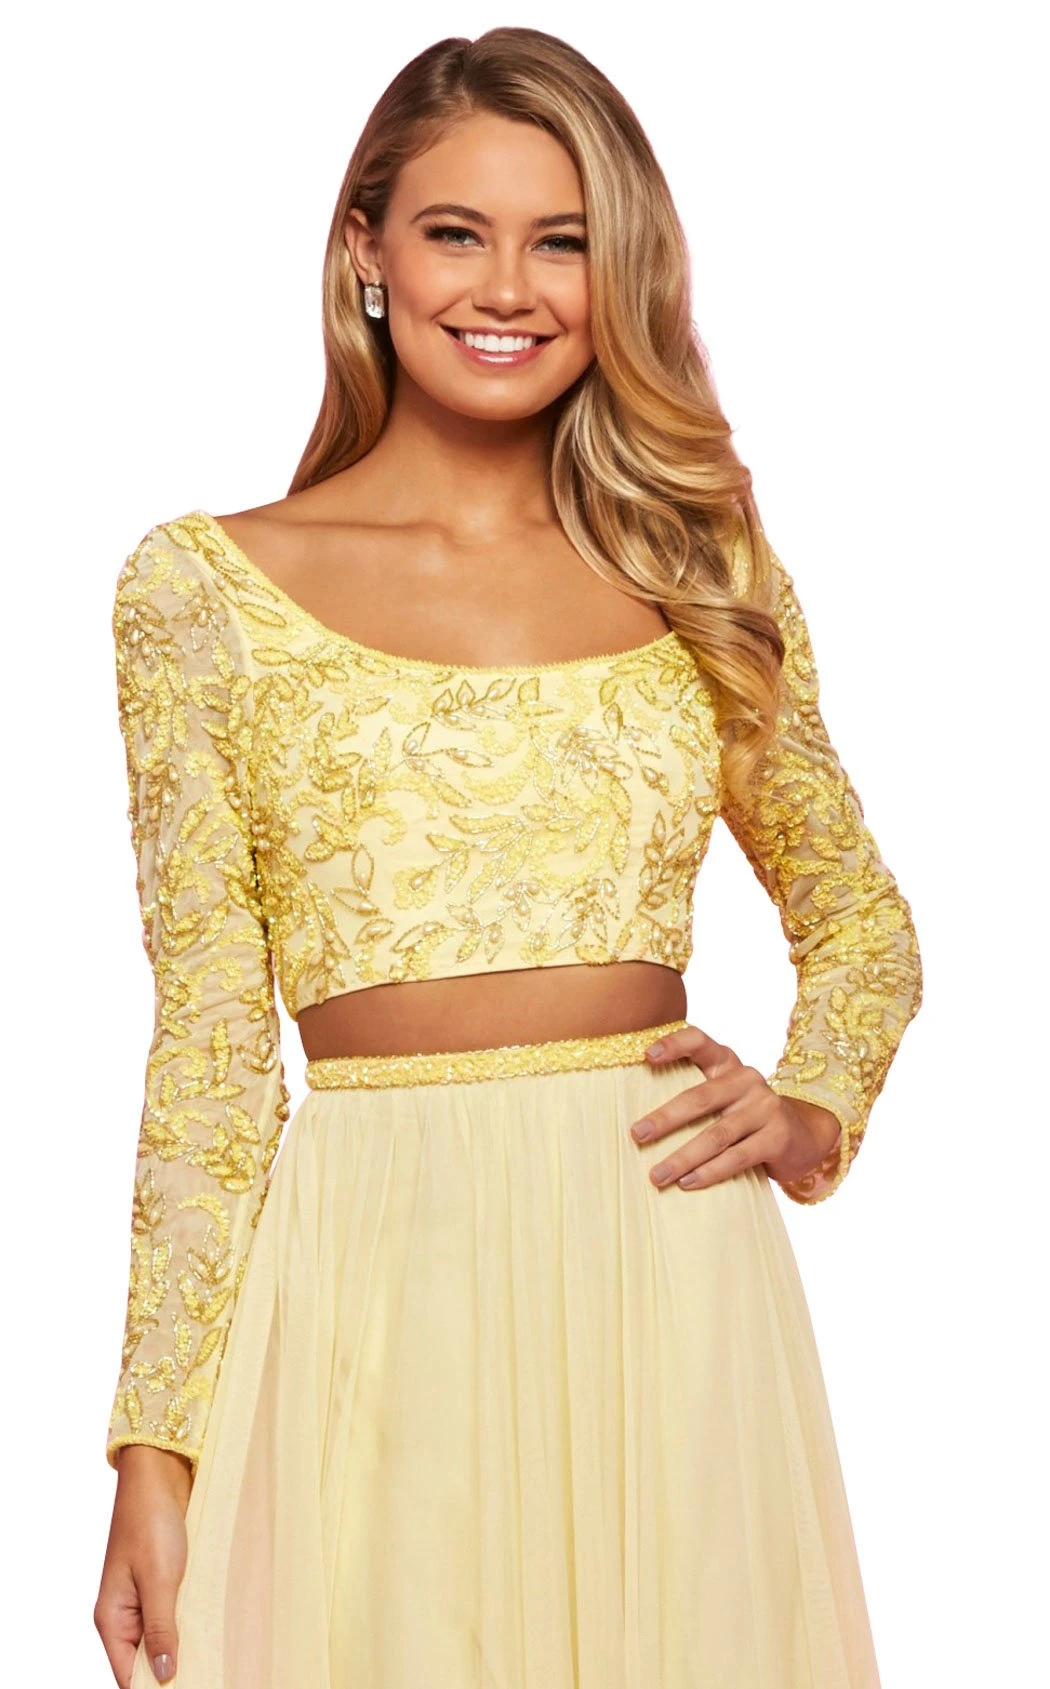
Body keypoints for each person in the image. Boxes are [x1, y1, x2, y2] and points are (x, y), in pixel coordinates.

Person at [93, 26, 923, 1689]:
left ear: (619, 273)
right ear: (367, 251)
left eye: (562, 241)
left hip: (661, 1254)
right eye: (454, 232)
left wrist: (810, 1106)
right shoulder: (199, 591)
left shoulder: (699, 565)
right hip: (369, 1271)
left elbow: (858, 919)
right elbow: (207, 1056)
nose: (507, 288)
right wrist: (152, 1449)